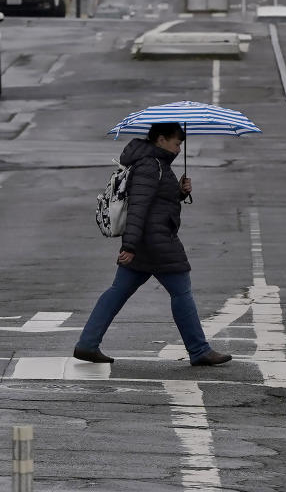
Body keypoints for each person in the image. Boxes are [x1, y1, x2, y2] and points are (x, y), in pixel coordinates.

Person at [74, 123, 232, 367]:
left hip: (145, 242)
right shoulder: (150, 165)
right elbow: (138, 207)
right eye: (176, 143)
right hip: (156, 241)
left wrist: (179, 192)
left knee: (117, 291)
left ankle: (87, 343)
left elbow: (157, 200)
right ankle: (199, 350)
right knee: (181, 291)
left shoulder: (155, 163)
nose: (179, 149)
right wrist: (129, 246)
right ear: (161, 139)